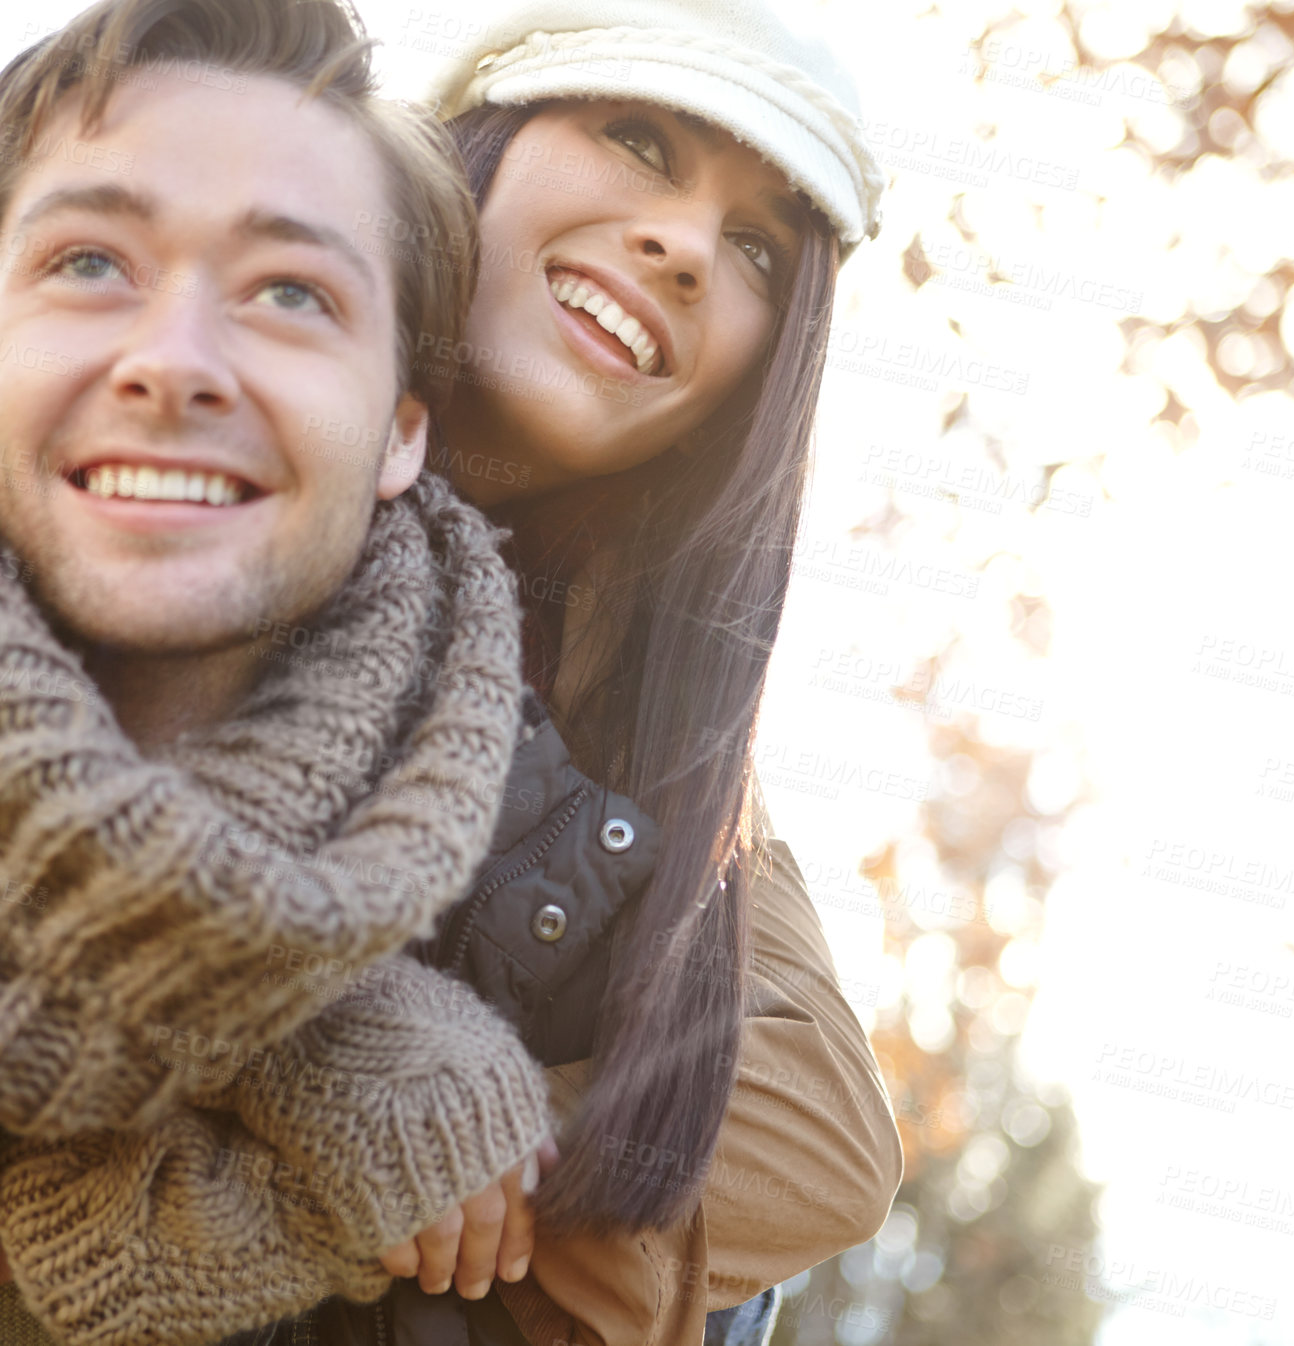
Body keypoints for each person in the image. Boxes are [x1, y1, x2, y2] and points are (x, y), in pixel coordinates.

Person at [0, 0, 902, 1342]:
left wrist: (443, 1153)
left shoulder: (643, 723)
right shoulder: (159, 421)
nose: (683, 246)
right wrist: (349, 1042)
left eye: (758, 250)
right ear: (482, 138)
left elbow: (823, 1129)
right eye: (642, 141)